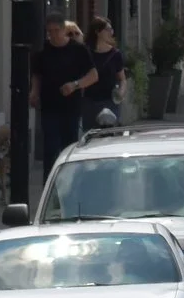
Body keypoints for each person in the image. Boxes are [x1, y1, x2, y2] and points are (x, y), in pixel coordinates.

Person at [32, 16, 95, 177]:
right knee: (50, 149)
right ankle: (50, 183)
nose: (53, 35)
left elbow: (93, 75)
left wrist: (75, 85)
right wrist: (34, 92)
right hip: (49, 106)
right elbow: (37, 75)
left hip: (71, 107)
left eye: (56, 31)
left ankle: (72, 180)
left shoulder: (78, 50)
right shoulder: (43, 51)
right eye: (50, 31)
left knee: (70, 147)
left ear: (63, 30)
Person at [87, 17, 126, 126]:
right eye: (107, 29)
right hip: (90, 101)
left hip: (110, 101)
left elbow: (122, 79)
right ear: (97, 32)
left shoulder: (115, 54)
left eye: (111, 29)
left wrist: (121, 93)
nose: (111, 32)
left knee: (109, 135)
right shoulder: (87, 53)